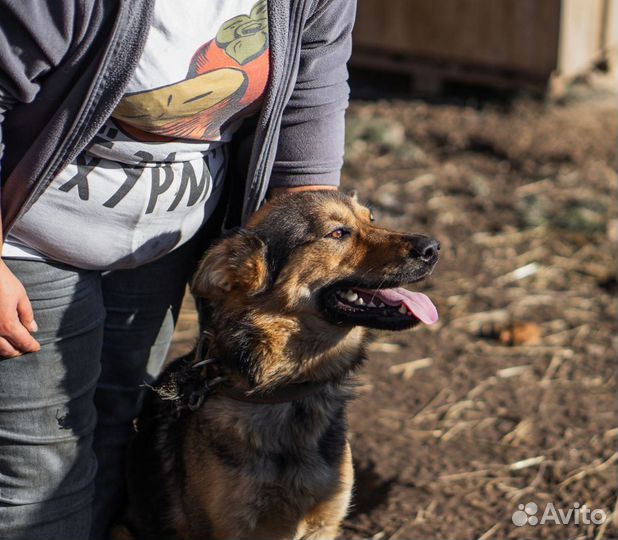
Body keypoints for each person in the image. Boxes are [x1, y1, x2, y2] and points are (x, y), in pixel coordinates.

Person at [0, 0, 355, 538]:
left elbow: (310, 107)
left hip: (164, 241)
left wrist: (316, 253)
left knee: (120, 419)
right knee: (39, 461)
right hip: (26, 236)